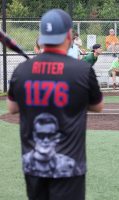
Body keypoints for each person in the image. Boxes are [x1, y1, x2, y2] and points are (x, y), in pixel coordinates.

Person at [7, 9, 104, 200]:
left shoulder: (22, 70)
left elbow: (12, 108)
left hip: (32, 169)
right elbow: (98, 105)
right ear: (69, 35)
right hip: (70, 171)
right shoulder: (81, 70)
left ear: (42, 38)